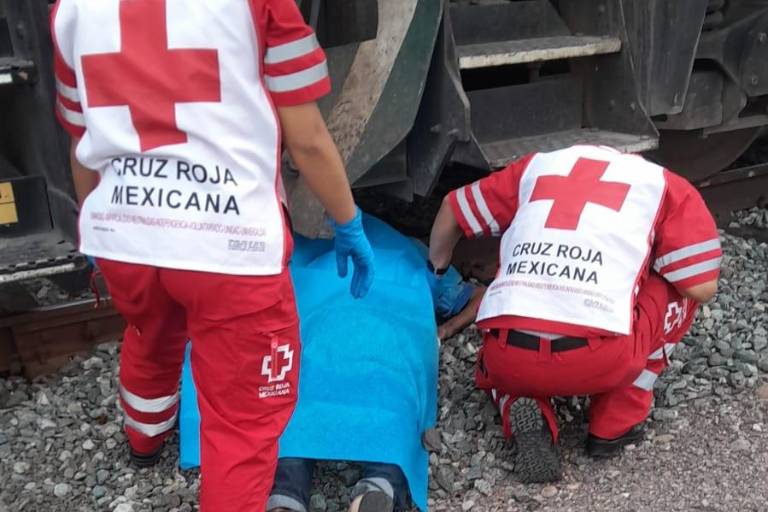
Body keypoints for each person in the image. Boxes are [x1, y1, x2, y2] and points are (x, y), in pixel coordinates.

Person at [50, 1, 374, 510]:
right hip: (229, 247)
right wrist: (347, 219)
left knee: (150, 332)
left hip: (124, 233)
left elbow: (80, 142)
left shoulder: (71, 9)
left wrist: (97, 229)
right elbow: (307, 141)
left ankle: (145, 439)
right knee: (243, 425)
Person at [427, 144, 720, 482]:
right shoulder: (665, 185)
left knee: (496, 359)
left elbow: (452, 207)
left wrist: (436, 274)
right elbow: (701, 287)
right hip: (600, 359)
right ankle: (614, 424)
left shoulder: (536, 166)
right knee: (676, 286)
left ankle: (524, 406)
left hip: (509, 356)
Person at [177, 214, 482, 512]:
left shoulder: (296, 243)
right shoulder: (415, 252)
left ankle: (285, 495)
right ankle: (379, 486)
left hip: (318, 333)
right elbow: (477, 296)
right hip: (387, 339)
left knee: (290, 403)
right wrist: (447, 329)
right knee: (394, 404)